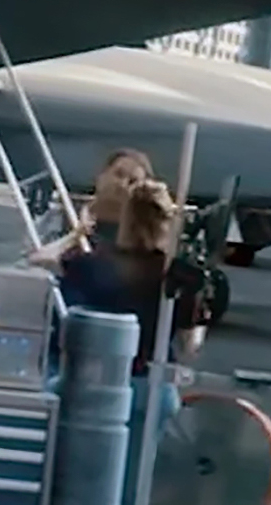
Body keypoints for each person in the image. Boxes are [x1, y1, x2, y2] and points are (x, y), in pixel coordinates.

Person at [56, 178, 198, 504]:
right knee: (135, 482)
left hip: (95, 384)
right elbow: (189, 344)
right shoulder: (177, 274)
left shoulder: (93, 263)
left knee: (83, 481)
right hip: (153, 384)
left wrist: (77, 233)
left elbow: (41, 260)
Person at [27, 149, 154, 270]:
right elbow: (32, 259)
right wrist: (75, 236)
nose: (122, 185)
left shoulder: (138, 239)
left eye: (132, 182)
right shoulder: (62, 213)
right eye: (118, 174)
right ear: (101, 176)